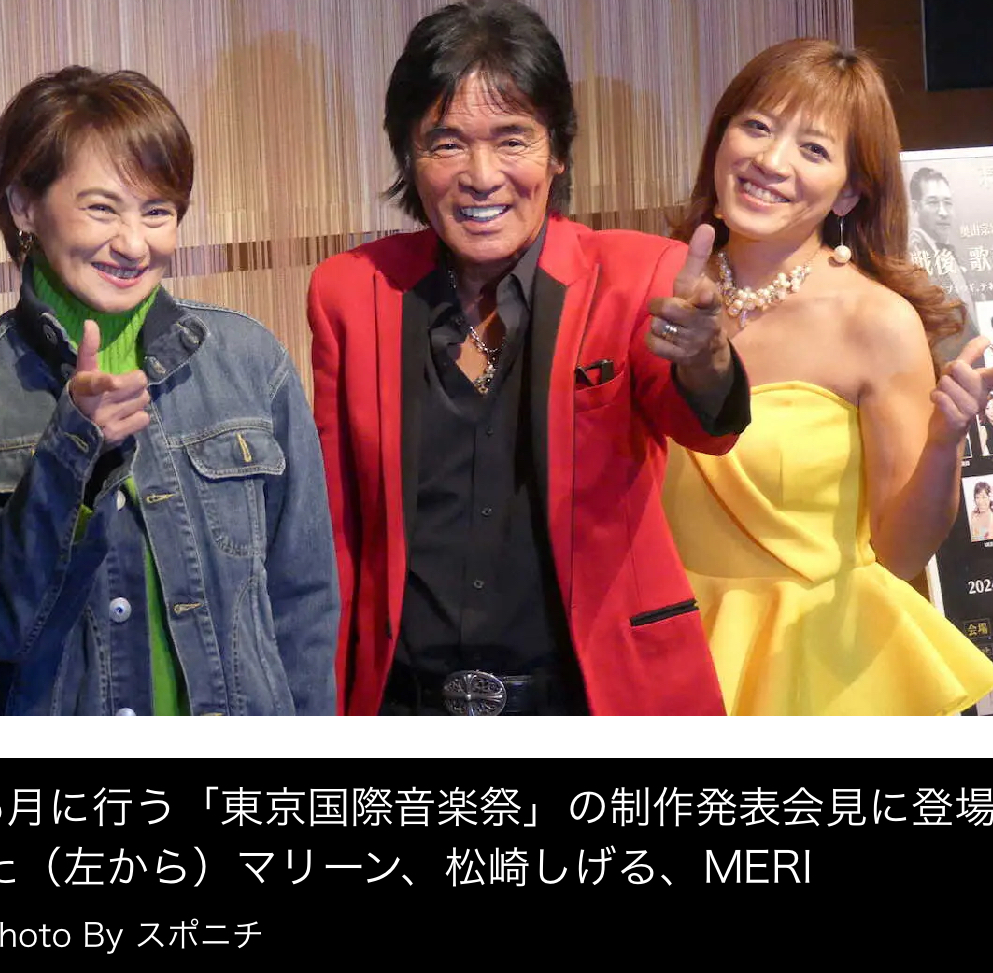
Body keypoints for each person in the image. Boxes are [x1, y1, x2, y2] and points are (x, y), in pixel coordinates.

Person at [308, 0, 749, 716]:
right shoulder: (351, 293)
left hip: (592, 697)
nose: (481, 175)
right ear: (409, 157)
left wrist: (706, 357)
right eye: (446, 143)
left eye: (512, 139)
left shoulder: (639, 277)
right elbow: (335, 529)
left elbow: (708, 428)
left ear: (557, 151)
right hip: (405, 702)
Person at [661, 38, 993, 715]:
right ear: (721, 138)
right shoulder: (657, 286)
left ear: (850, 191)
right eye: (757, 126)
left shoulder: (876, 322)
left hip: (819, 662)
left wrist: (945, 442)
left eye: (813, 149)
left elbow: (900, 551)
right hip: (664, 642)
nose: (771, 161)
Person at [0, 67, 338, 715]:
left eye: (157, 211)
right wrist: (71, 452)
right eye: (102, 207)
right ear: (24, 205)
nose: (134, 243)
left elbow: (302, 600)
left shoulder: (250, 361)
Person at [907, 166, 977, 363]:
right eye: (933, 203)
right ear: (916, 207)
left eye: (947, 203)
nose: (943, 212)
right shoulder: (911, 255)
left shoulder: (951, 254)